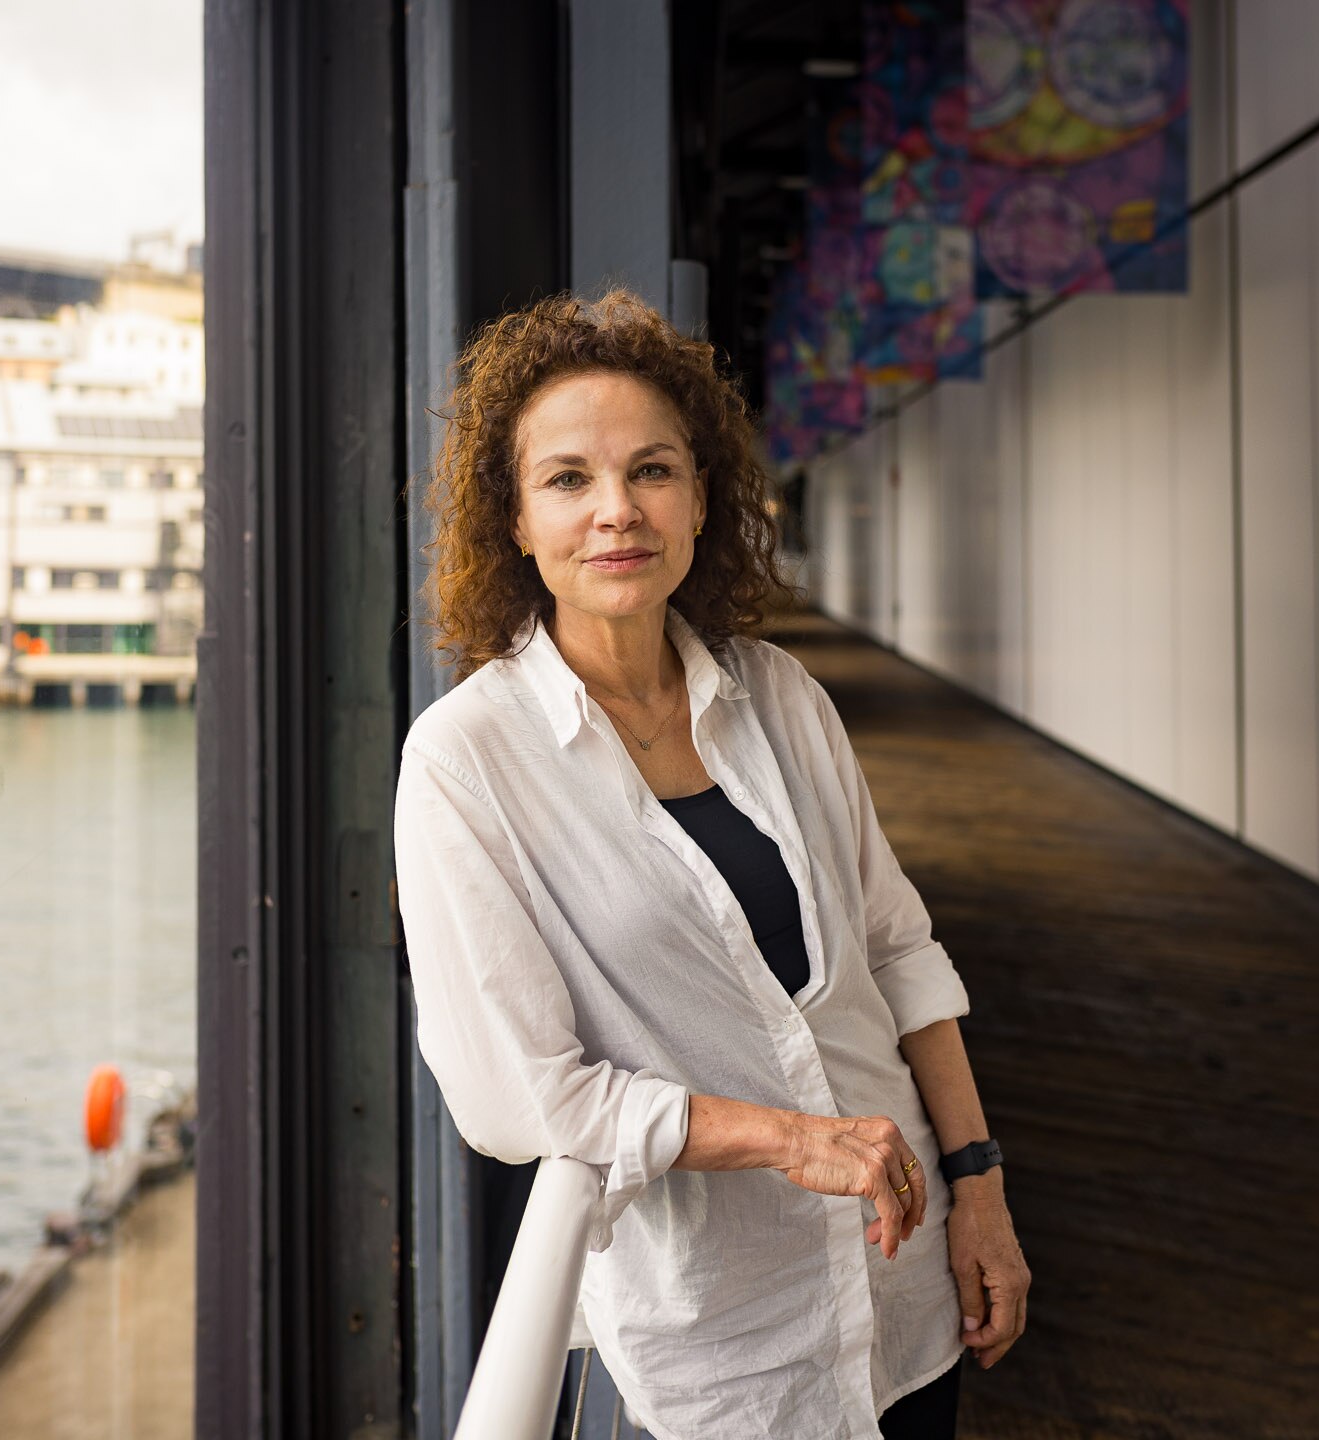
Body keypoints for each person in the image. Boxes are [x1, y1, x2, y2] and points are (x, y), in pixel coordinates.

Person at [394, 288, 1030, 1439]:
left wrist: (979, 1183)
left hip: (907, 1280)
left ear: (700, 498)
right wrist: (795, 1139)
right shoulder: (465, 761)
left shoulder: (780, 694)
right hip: (730, 1346)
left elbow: (898, 951)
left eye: (652, 470)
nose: (617, 511)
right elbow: (516, 1097)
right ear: (516, 521)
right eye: (568, 479)